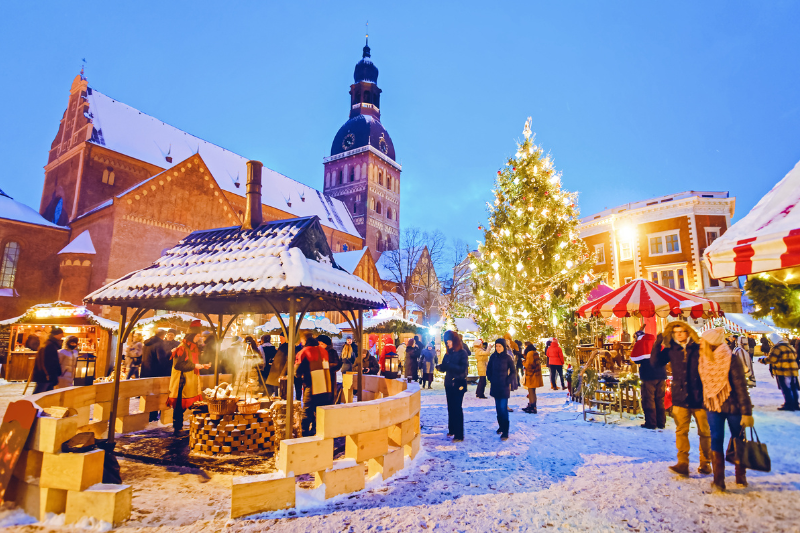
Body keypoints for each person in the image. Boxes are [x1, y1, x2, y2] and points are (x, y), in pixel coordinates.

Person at [651, 321, 711, 476]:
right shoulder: (672, 350)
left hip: (700, 397)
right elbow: (655, 363)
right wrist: (658, 344)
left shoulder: (698, 348)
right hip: (680, 397)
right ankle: (683, 463)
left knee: (704, 432)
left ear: (688, 332)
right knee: (681, 431)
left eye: (682, 331)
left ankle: (705, 463)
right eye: (676, 331)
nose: (678, 334)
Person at [698, 328, 754, 490]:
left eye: (704, 340)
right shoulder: (703, 359)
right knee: (716, 439)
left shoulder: (731, 358)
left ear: (711, 342)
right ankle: (719, 479)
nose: (702, 343)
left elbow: (741, 386)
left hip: (733, 406)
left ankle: (740, 475)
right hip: (712, 405)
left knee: (738, 438)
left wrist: (746, 412)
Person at [167, 321, 210, 436]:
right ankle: (177, 428)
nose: (198, 338)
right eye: (197, 336)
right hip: (182, 381)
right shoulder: (182, 348)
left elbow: (192, 362)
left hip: (191, 380)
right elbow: (178, 365)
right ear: (191, 336)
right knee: (179, 405)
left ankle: (192, 425)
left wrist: (202, 365)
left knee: (192, 404)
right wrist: (195, 366)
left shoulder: (193, 348)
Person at [295, 333, 332, 435]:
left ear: (305, 342)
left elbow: (297, 371)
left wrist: (300, 376)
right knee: (320, 411)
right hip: (326, 386)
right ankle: (317, 430)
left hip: (312, 385)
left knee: (307, 410)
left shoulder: (305, 352)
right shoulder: (324, 351)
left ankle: (305, 433)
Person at [437, 331, 469, 441]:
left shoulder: (462, 353)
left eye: (449, 342)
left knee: (457, 408)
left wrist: (449, 366)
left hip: (459, 383)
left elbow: (462, 369)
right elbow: (446, 366)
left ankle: (459, 434)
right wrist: (440, 367)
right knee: (451, 407)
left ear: (454, 341)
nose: (448, 344)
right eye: (446, 342)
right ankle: (452, 429)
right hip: (449, 383)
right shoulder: (448, 353)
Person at [632, 330, 665, 429]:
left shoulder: (641, 343)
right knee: (659, 399)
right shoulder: (657, 343)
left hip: (648, 375)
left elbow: (635, 359)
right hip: (661, 374)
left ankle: (651, 423)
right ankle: (661, 423)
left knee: (648, 399)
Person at [760, 332, 799, 411]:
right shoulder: (789, 346)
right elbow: (795, 356)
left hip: (783, 371)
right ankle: (795, 404)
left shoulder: (777, 348)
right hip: (793, 370)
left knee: (785, 388)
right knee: (793, 387)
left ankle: (789, 405)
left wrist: (763, 360)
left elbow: (772, 359)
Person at [486, 338, 516, 439]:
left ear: (504, 347)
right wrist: (490, 378)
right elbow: (488, 369)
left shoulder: (508, 358)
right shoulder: (493, 357)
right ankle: (501, 426)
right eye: (496, 346)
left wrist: (508, 381)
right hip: (495, 386)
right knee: (498, 409)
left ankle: (505, 431)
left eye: (500, 346)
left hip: (504, 386)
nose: (498, 348)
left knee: (503, 409)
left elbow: (513, 371)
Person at [32, 328, 63, 394]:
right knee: (39, 394)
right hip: (46, 375)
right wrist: (51, 374)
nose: (62, 336)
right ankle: (30, 404)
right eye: (61, 334)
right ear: (57, 335)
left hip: (45, 374)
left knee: (45, 394)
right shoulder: (50, 345)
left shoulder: (48, 344)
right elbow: (50, 361)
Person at [316, 335, 341, 403]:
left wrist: (325, 366)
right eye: (318, 344)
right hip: (318, 378)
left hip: (329, 378)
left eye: (322, 344)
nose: (320, 345)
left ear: (327, 344)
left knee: (328, 397)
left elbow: (337, 364)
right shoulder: (316, 352)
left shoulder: (332, 352)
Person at [522, 342, 543, 414]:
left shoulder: (530, 353)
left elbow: (529, 364)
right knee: (532, 391)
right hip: (536, 375)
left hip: (532, 375)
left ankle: (532, 406)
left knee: (531, 391)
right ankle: (531, 405)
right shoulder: (535, 352)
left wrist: (523, 362)